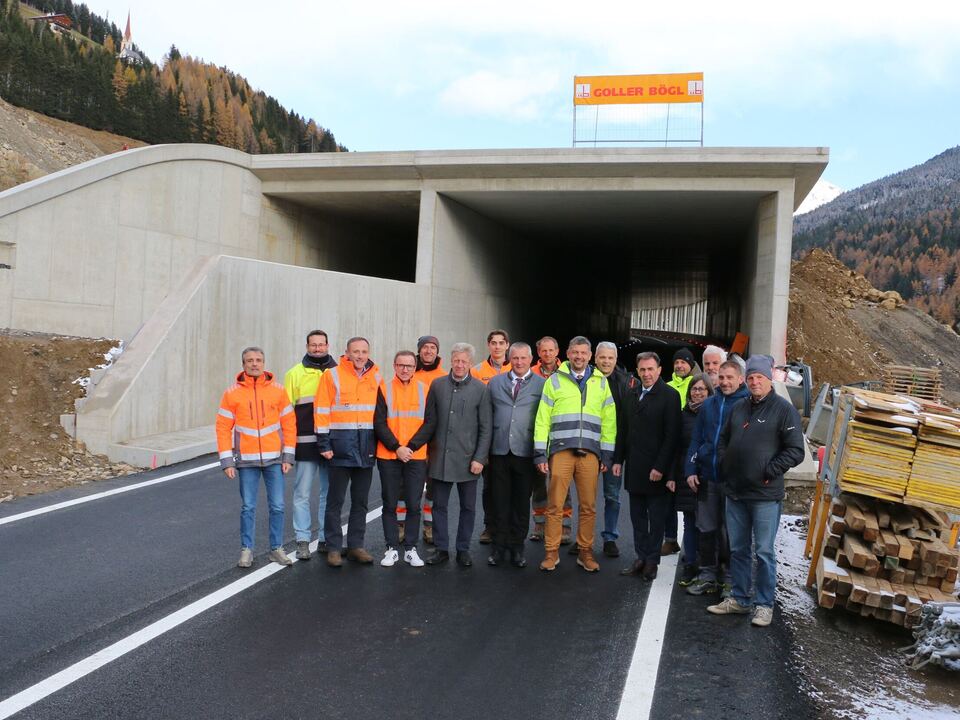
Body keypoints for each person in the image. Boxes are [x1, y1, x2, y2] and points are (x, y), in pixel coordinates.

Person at [707, 355, 804, 627]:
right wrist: (726, 461)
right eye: (750, 378)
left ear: (768, 378)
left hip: (764, 495)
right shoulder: (739, 407)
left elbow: (795, 450)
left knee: (763, 552)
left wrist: (769, 470)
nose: (754, 382)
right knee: (738, 549)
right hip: (735, 492)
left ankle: (764, 605)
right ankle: (740, 598)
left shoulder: (784, 410)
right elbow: (724, 439)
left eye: (759, 377)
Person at [533, 336, 616, 573]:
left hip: (590, 452)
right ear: (568, 354)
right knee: (555, 504)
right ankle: (551, 552)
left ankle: (585, 552)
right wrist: (540, 453)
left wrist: (607, 455)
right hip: (560, 450)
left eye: (583, 353)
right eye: (575, 352)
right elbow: (542, 420)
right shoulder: (554, 381)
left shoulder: (601, 382)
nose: (579, 357)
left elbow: (610, 422)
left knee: (589, 506)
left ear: (590, 356)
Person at [216, 346, 296, 568]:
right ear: (243, 364)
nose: (254, 364)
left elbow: (289, 424)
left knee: (278, 506)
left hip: (275, 461)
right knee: (248, 507)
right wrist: (227, 461)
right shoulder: (231, 393)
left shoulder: (278, 391)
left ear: (264, 363)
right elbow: (223, 428)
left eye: (258, 360)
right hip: (246, 462)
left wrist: (288, 456)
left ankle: (276, 549)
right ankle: (246, 550)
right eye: (250, 360)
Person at [314, 337, 382, 568]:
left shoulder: (377, 376)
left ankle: (355, 546)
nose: (360, 356)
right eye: (356, 352)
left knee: (361, 502)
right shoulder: (331, 375)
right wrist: (324, 444)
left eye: (364, 351)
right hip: (340, 448)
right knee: (335, 501)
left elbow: (380, 415)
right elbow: (321, 410)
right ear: (347, 353)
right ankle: (333, 548)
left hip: (366, 449)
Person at [684, 360, 749, 598]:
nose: (725, 382)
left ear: (740, 379)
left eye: (730, 377)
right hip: (707, 478)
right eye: (721, 377)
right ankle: (707, 575)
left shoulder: (747, 405)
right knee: (707, 529)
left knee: (731, 532)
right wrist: (690, 469)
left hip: (733, 482)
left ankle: (730, 580)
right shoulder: (709, 405)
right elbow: (696, 440)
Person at [424, 343, 492, 568]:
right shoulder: (437, 385)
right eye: (456, 360)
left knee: (468, 508)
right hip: (440, 458)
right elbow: (429, 421)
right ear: (451, 361)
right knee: (439, 506)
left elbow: (485, 428)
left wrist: (479, 458)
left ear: (470, 363)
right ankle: (441, 548)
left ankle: (463, 549)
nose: (460, 365)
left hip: (468, 460)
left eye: (464, 361)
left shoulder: (481, 390)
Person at [614, 352, 681, 580]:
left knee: (656, 518)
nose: (647, 374)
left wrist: (661, 467)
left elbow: (672, 436)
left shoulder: (670, 396)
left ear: (659, 370)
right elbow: (623, 429)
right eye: (642, 370)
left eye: (650, 369)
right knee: (637, 517)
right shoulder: (631, 393)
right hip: (634, 466)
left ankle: (652, 560)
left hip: (655, 469)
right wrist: (617, 460)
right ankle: (640, 556)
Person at [485, 342, 545, 568]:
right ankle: (498, 547)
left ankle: (517, 546)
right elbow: (487, 416)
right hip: (499, 450)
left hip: (525, 451)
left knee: (521, 502)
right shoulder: (495, 382)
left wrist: (542, 453)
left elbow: (544, 419)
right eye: (515, 358)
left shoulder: (542, 384)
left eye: (523, 358)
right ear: (510, 359)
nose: (519, 362)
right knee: (499, 501)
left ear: (531, 359)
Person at [374, 350, 434, 568]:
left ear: (415, 366)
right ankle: (391, 548)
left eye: (409, 365)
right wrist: (397, 447)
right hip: (389, 455)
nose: (405, 369)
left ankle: (410, 549)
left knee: (413, 505)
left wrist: (410, 447)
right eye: (401, 365)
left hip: (415, 456)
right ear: (394, 365)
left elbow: (429, 423)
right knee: (389, 504)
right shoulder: (384, 388)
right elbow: (379, 423)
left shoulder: (424, 390)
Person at [284, 330, 337, 560]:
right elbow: (286, 414)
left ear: (328, 345)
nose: (317, 348)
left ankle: (325, 539)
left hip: (332, 444)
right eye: (313, 345)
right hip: (305, 444)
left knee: (329, 493)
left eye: (321, 344)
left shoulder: (338, 373)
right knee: (302, 494)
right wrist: (287, 446)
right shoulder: (294, 374)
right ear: (307, 346)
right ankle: (303, 540)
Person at [400, 334, 444, 545]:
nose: (428, 351)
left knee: (433, 489)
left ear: (437, 351)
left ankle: (428, 527)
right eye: (425, 347)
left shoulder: (444, 375)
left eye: (432, 347)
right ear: (419, 350)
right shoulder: (408, 373)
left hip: (434, 444)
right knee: (404, 488)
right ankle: (401, 527)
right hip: (410, 443)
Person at [529, 336, 573, 544]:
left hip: (560, 436)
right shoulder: (530, 373)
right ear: (539, 353)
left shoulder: (568, 373)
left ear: (558, 352)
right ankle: (539, 523)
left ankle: (565, 525)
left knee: (561, 481)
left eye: (551, 350)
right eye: (543, 351)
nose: (547, 354)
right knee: (538, 483)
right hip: (538, 435)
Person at [671, 374, 713, 586]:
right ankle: (690, 564)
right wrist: (673, 476)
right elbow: (676, 447)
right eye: (694, 389)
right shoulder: (683, 414)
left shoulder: (714, 413)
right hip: (686, 475)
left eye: (702, 389)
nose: (697, 393)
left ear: (709, 392)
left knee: (705, 525)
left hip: (707, 475)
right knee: (689, 523)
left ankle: (706, 566)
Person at [471, 329, 511, 545]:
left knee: (510, 485)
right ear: (488, 345)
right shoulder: (477, 370)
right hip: (486, 437)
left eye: (501, 343)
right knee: (489, 486)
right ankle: (490, 526)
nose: (497, 346)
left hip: (510, 436)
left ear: (507, 345)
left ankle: (509, 526)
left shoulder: (516, 367)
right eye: (493, 343)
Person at [593, 341, 630, 558]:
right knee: (587, 497)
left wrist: (621, 454)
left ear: (615, 360)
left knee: (612, 495)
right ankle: (583, 539)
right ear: (595, 359)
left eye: (610, 358)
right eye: (602, 357)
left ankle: (610, 537)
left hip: (614, 448)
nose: (606, 361)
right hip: (588, 446)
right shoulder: (586, 380)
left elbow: (626, 420)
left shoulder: (625, 383)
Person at [662, 347, 700, 555]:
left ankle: (693, 550)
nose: (679, 366)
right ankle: (670, 538)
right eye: (677, 362)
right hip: (671, 447)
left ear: (690, 365)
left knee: (689, 503)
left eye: (683, 362)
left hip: (688, 446)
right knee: (668, 496)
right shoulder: (667, 386)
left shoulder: (696, 386)